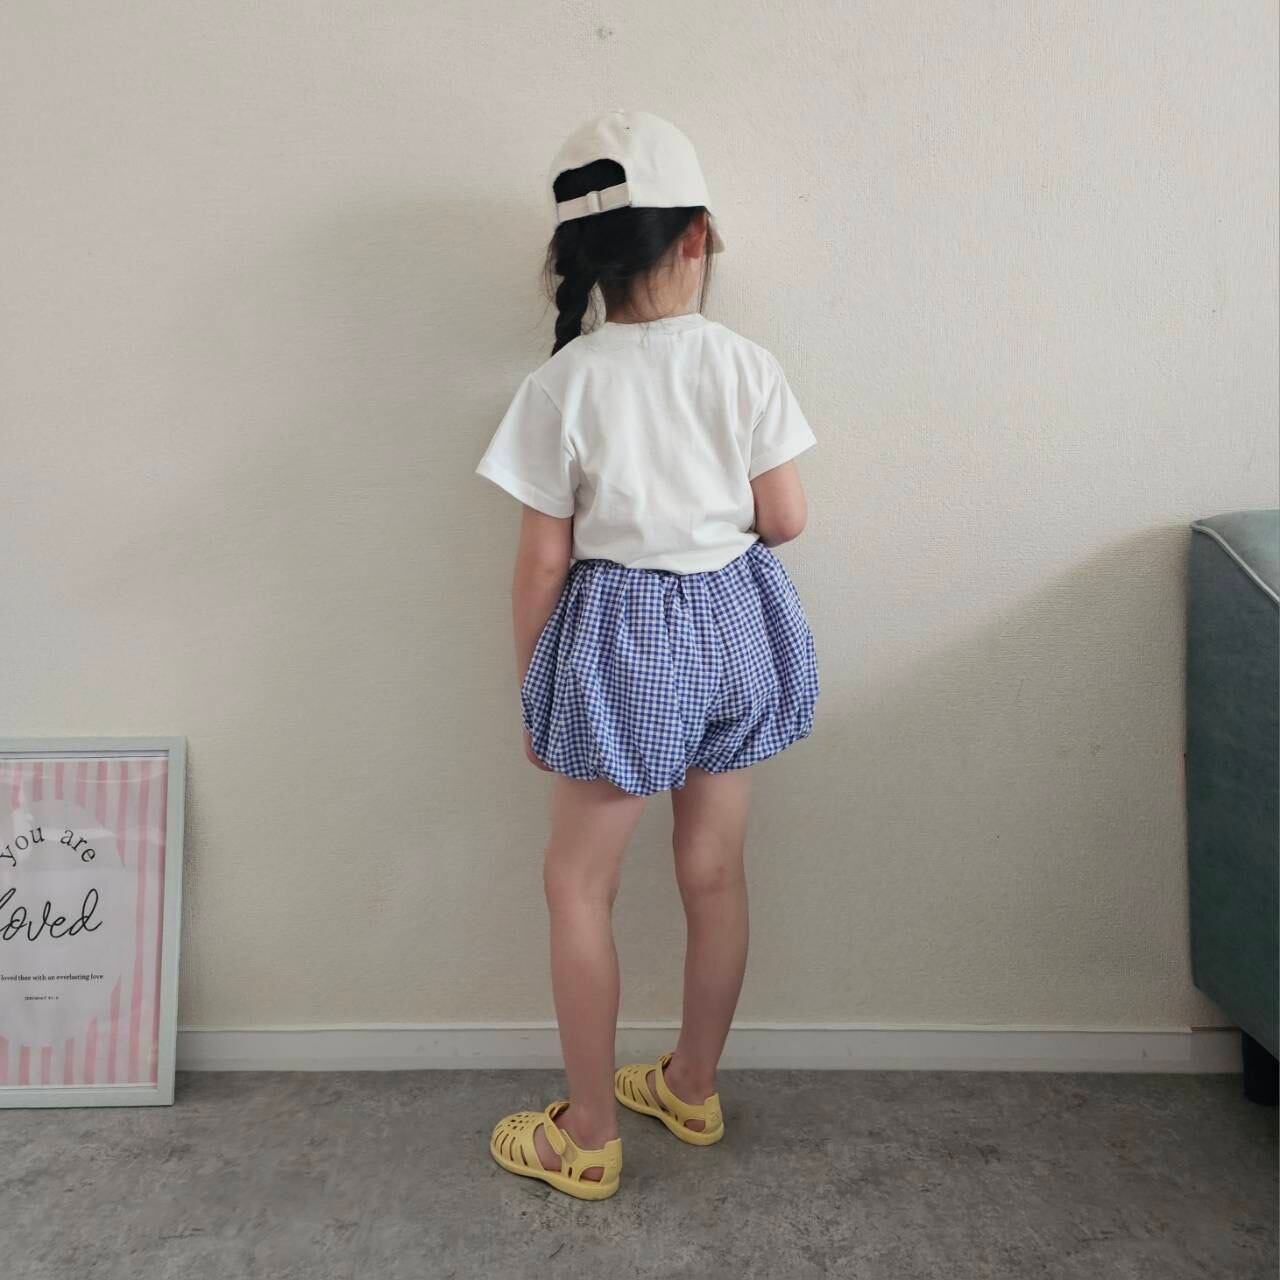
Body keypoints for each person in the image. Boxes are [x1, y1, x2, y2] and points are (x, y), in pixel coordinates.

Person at [476, 109, 819, 1201]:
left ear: (579, 258)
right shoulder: (744, 364)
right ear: (697, 235)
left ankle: (585, 1134)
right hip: (735, 627)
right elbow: (786, 517)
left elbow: (542, 563)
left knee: (578, 883)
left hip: (623, 646)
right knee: (713, 871)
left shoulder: (562, 384)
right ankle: (691, 1085)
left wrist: (535, 687)